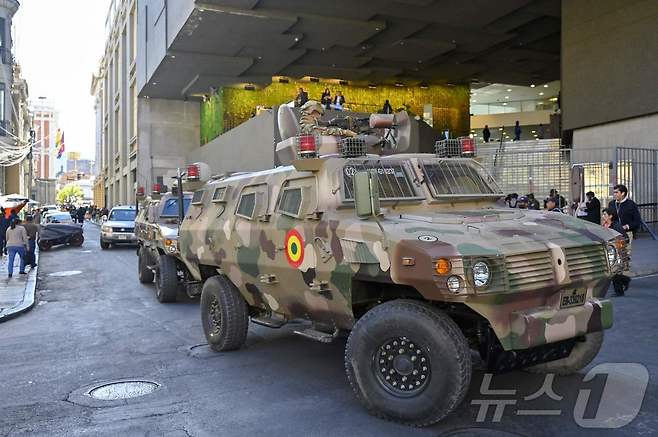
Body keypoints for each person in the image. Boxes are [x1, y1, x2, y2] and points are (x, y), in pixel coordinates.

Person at [602, 207, 631, 295]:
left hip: (617, 252)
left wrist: (617, 245)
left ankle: (619, 291)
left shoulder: (616, 226)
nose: (603, 216)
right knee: (612, 272)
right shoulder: (605, 225)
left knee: (614, 271)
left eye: (605, 214)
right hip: (609, 251)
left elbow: (625, 238)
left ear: (610, 216)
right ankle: (625, 280)